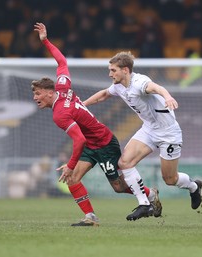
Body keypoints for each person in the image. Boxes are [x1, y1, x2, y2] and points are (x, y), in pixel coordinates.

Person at [31, 23, 161, 226]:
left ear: (49, 92)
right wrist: (45, 41)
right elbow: (61, 61)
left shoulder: (60, 114)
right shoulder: (63, 86)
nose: (35, 98)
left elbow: (79, 139)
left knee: (117, 187)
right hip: (91, 145)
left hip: (104, 143)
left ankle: (150, 194)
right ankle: (90, 217)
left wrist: (70, 164)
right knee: (73, 179)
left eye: (38, 94)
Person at [83, 51, 202, 213]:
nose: (110, 74)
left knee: (170, 179)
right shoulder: (119, 86)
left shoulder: (140, 82)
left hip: (168, 133)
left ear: (125, 70)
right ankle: (145, 204)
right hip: (149, 129)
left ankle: (194, 186)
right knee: (124, 163)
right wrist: (83, 104)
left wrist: (167, 97)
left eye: (113, 70)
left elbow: (157, 88)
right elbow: (104, 94)